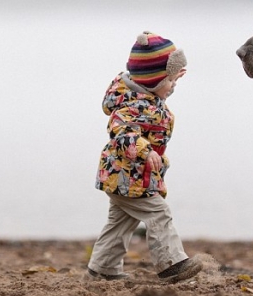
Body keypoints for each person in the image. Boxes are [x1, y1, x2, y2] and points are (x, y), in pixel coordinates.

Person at [86, 31, 202, 283]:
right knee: (158, 213)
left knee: (120, 222)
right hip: (127, 177)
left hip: (128, 177)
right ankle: (172, 264)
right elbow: (122, 132)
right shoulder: (130, 106)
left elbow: (155, 104)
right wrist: (144, 150)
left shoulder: (146, 97)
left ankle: (102, 268)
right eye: (170, 81)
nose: (173, 87)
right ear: (154, 80)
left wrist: (169, 76)